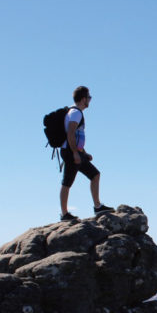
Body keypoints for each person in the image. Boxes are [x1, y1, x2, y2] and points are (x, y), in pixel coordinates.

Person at [59, 86, 114, 221]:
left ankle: (97, 206)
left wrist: (84, 152)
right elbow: (71, 133)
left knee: (95, 174)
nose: (90, 100)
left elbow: (77, 136)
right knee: (67, 183)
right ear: (83, 99)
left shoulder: (75, 112)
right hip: (71, 152)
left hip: (76, 151)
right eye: (89, 97)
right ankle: (64, 214)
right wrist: (75, 153)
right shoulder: (76, 113)